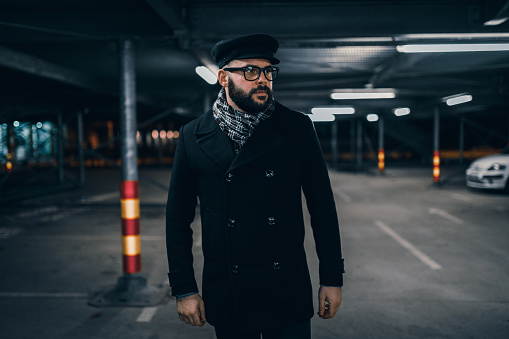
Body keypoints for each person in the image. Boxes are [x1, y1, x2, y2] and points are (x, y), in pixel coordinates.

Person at [166, 33, 345, 339]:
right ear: (223, 77)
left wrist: (331, 278)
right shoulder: (193, 135)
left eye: (268, 71)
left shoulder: (297, 127)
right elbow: (178, 218)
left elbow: (322, 207)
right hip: (227, 287)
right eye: (250, 71)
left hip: (285, 285)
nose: (262, 79)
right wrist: (184, 289)